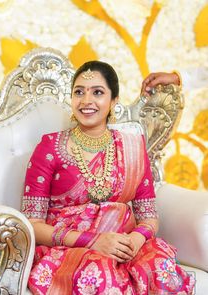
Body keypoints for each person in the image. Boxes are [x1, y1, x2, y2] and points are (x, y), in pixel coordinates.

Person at [21, 61, 194, 294]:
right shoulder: (50, 146)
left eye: (98, 92)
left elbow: (149, 218)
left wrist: (134, 240)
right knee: (99, 273)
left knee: (160, 267)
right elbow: (32, 225)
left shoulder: (133, 146)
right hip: (71, 248)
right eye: (79, 92)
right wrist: (93, 241)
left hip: (125, 245)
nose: (86, 101)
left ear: (113, 101)